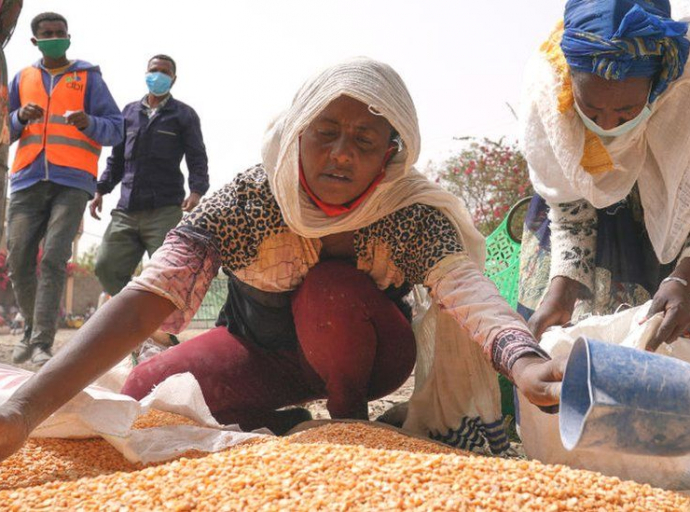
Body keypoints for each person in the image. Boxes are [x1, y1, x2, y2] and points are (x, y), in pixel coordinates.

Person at [0, 58, 564, 462]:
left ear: (391, 153)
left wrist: (526, 362)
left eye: (365, 141)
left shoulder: (408, 210)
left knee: (331, 291)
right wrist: (24, 411)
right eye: (326, 133)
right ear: (296, 134)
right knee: (147, 390)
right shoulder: (250, 199)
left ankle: (348, 428)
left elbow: (467, 290)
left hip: (368, 357)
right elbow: (151, 295)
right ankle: (280, 421)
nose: (342, 153)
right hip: (264, 351)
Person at [518, 0, 690, 351]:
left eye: (627, 111)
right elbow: (568, 209)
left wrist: (684, 278)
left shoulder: (683, 94)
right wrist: (564, 286)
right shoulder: (551, 92)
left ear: (658, 84)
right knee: (572, 356)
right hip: (574, 224)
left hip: (672, 236)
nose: (607, 125)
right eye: (592, 109)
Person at [6, 12, 123, 366]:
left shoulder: (88, 77)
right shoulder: (21, 78)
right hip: (27, 179)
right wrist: (18, 118)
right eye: (48, 33)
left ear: (69, 38)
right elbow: (4, 132)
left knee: (55, 258)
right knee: (19, 261)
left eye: (60, 33)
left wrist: (90, 122)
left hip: (72, 181)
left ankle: (41, 342)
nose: (55, 37)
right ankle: (30, 331)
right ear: (35, 41)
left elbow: (116, 130)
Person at [90, 54, 209, 297]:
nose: (159, 76)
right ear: (146, 73)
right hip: (127, 209)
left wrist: (196, 191)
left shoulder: (184, 115)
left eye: (165, 72)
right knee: (105, 267)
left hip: (164, 210)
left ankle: (159, 331)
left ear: (173, 79)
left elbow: (197, 157)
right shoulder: (128, 113)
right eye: (154, 70)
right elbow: (117, 159)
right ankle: (131, 316)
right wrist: (101, 190)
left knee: (168, 273)